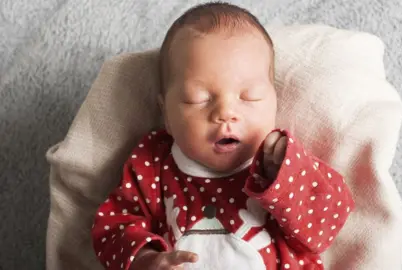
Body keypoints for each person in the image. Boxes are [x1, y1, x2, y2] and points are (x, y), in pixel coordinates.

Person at [91, 2, 354, 270]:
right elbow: (113, 228)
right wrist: (146, 260)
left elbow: (327, 225)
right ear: (167, 114)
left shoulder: (279, 164)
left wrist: (286, 176)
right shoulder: (154, 163)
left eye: (249, 97)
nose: (226, 113)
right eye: (199, 99)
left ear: (274, 103)